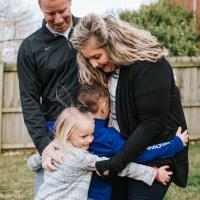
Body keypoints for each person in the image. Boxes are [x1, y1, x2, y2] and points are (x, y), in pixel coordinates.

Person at [70, 14, 189, 200]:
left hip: (154, 154)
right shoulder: (106, 70)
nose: (93, 63)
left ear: (113, 44)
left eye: (97, 56)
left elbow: (151, 125)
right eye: (89, 58)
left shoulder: (151, 67)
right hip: (122, 151)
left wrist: (115, 163)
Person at [76, 83, 188, 200]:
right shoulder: (108, 137)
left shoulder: (72, 130)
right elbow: (138, 154)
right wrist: (175, 144)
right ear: (104, 107)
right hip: (98, 196)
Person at [35, 107, 167, 200]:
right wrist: (154, 173)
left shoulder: (52, 149)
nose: (90, 139)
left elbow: (32, 163)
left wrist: (41, 156)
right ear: (68, 134)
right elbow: (118, 166)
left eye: (92, 134)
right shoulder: (81, 158)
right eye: (84, 136)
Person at [17, 0, 79, 193]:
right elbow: (29, 101)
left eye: (63, 11)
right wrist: (44, 146)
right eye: (51, 14)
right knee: (48, 194)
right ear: (40, 9)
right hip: (56, 132)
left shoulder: (90, 31)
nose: (58, 19)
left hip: (96, 128)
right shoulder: (30, 47)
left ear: (70, 2)